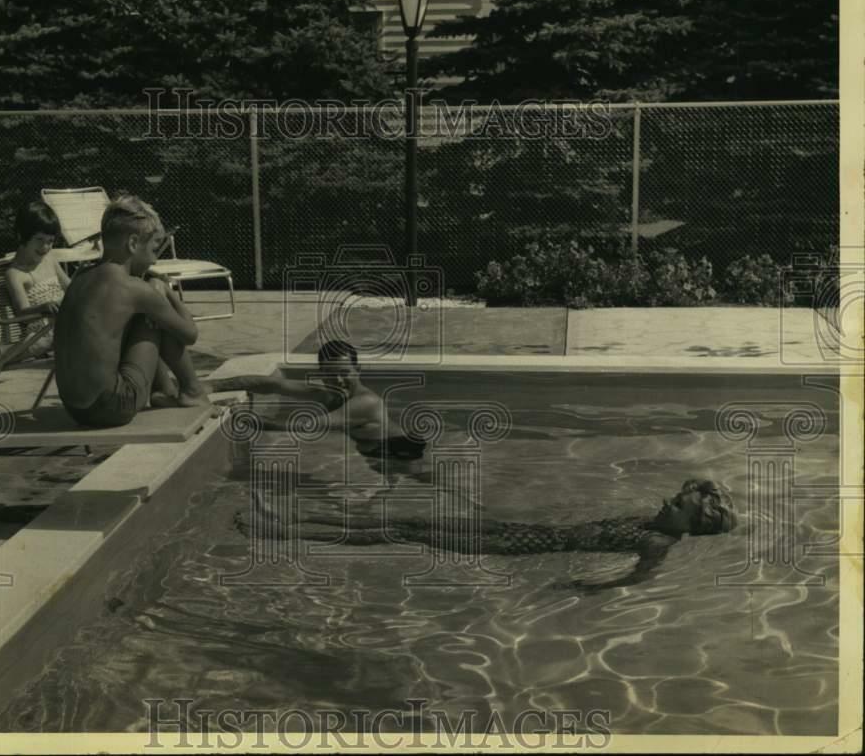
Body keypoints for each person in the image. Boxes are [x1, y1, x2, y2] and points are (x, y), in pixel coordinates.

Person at [236, 479, 737, 591]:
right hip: (521, 530)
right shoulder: (652, 521)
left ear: (691, 526)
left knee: (394, 533)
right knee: (410, 519)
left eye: (680, 505)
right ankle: (284, 518)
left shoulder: (658, 542)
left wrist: (584, 587)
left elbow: (637, 580)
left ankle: (276, 534)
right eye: (677, 496)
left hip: (516, 546)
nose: (668, 501)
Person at [54, 194, 212, 428]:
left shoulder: (81, 277)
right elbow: (189, 334)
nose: (154, 261)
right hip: (111, 408)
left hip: (75, 409)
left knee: (144, 314)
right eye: (154, 249)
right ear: (133, 243)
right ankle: (192, 391)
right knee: (154, 316)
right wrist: (164, 291)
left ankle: (164, 391)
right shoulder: (133, 288)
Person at [206, 339, 427, 461]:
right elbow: (272, 384)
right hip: (379, 452)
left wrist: (257, 422)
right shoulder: (329, 394)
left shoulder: (366, 403)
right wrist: (213, 386)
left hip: (403, 454)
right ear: (322, 374)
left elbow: (306, 426)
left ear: (357, 369)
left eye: (345, 372)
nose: (338, 379)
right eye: (331, 374)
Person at [4, 201, 71, 359]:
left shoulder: (50, 260)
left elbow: (71, 287)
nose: (46, 247)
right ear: (22, 236)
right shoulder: (15, 274)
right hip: (41, 333)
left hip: (64, 324)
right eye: (40, 240)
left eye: (50, 241)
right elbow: (22, 311)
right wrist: (44, 307)